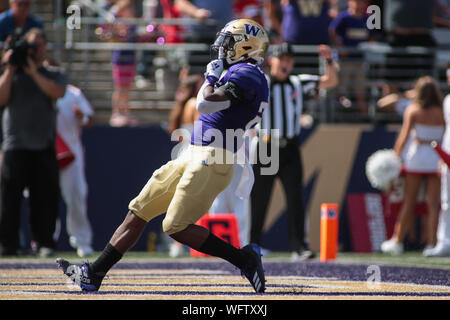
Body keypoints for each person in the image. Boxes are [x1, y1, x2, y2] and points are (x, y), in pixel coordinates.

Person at [57, 18, 269, 294]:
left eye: (229, 43)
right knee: (139, 209)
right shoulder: (240, 72)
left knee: (175, 226)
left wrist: (209, 78)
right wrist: (213, 77)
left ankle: (245, 259)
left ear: (246, 46)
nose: (223, 49)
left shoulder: (248, 74)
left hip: (215, 156)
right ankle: (95, 273)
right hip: (193, 152)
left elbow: (205, 104)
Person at [250, 42, 338, 261]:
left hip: (290, 146)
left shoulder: (299, 83)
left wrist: (328, 61)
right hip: (266, 146)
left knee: (295, 198)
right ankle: (254, 244)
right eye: (282, 59)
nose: (286, 63)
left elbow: (331, 81)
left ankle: (299, 246)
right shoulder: (261, 82)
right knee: (259, 198)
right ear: (272, 60)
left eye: (289, 60)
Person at [0, 28, 66, 257]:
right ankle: (8, 244)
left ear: (45, 48)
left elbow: (57, 92)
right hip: (14, 144)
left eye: (39, 46)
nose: (35, 50)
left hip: (43, 145)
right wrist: (10, 68)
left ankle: (44, 242)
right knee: (9, 198)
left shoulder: (52, 73)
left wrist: (34, 71)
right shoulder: (11, 73)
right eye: (31, 46)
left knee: (44, 199)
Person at [381, 76, 445, 255]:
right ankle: (433, 244)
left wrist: (394, 157)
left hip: (416, 158)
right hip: (436, 158)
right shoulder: (443, 111)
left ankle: (398, 241)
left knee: (409, 202)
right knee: (434, 205)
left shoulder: (413, 110)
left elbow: (403, 136)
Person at [55, 84, 95, 258]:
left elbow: (89, 118)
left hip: (71, 152)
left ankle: (82, 241)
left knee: (77, 195)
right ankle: (43, 241)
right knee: (41, 197)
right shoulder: (30, 84)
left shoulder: (73, 92)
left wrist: (82, 117)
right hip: (39, 149)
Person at [166, 73, 202, 257]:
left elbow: (177, 133)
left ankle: (177, 245)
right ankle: (185, 245)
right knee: (195, 201)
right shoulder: (195, 103)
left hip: (181, 154)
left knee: (179, 200)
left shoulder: (183, 105)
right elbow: (203, 129)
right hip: (193, 156)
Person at [425, 64, 450, 257]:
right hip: (448, 155)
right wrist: (443, 153)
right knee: (446, 201)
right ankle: (444, 240)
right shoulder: (447, 101)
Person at [329, 0, 371, 115]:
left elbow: (371, 36)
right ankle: (338, 117)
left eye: (360, 2)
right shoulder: (343, 17)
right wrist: (341, 48)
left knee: (360, 91)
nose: (358, 5)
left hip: (360, 61)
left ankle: (364, 118)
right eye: (355, 2)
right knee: (341, 90)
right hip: (345, 62)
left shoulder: (367, 19)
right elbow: (332, 31)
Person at [108, 0, 138, 127]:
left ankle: (125, 112)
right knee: (119, 88)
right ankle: (116, 112)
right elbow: (111, 39)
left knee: (127, 88)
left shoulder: (133, 25)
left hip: (130, 59)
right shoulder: (117, 23)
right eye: (127, 8)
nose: (130, 11)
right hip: (119, 59)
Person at [267, 0, 338, 45]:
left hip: (320, 42)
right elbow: (272, 11)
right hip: (294, 42)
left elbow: (334, 9)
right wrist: (280, 32)